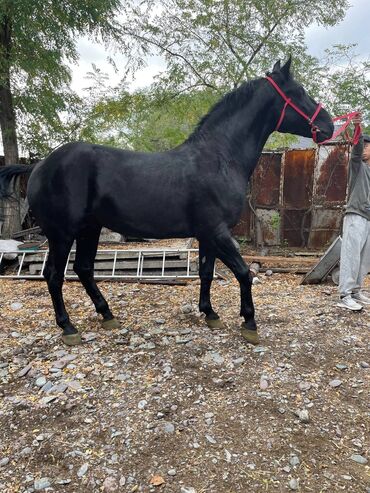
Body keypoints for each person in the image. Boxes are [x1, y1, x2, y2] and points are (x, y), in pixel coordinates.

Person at [337, 113, 370, 311]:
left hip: (368, 219)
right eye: (365, 144)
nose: (365, 147)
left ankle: (357, 290)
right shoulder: (357, 166)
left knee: (365, 257)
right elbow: (356, 151)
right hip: (355, 215)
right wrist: (358, 127)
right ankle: (345, 295)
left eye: (368, 145)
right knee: (351, 255)